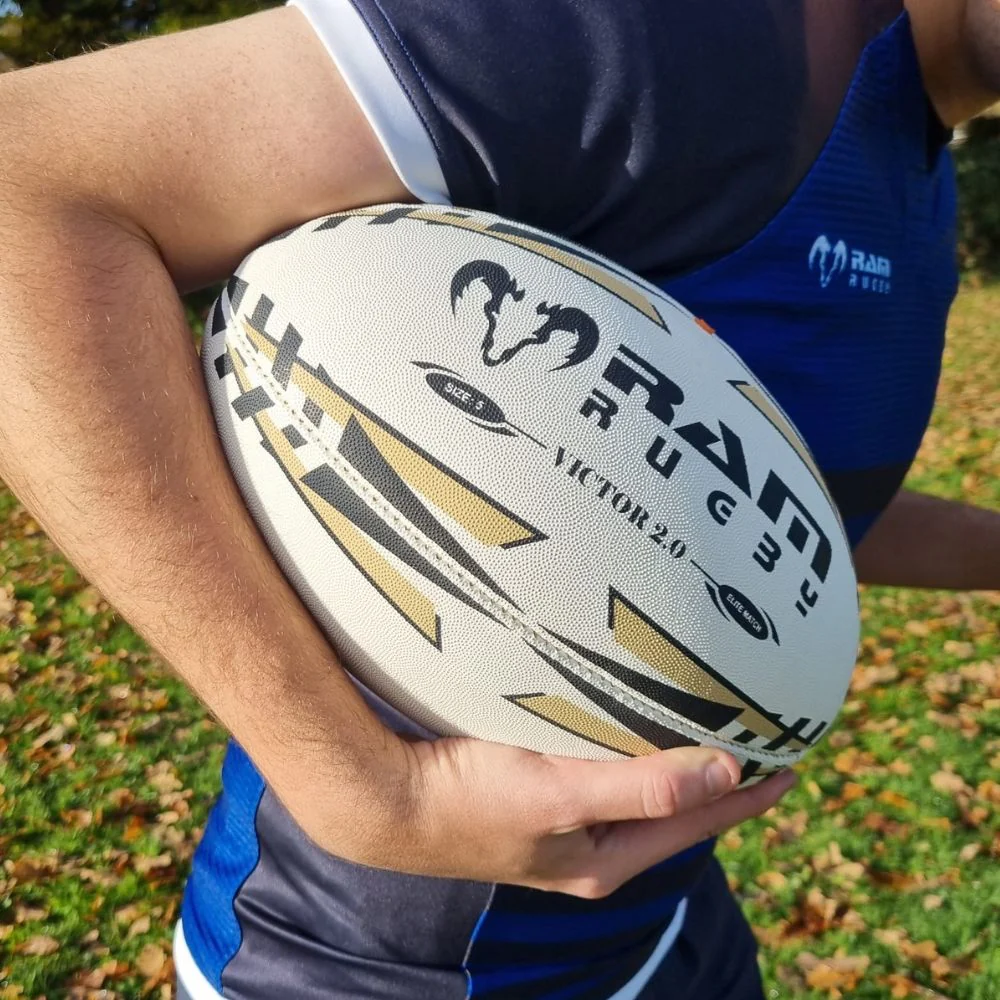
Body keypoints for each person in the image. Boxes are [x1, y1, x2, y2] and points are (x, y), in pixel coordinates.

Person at [1, 2, 998, 998]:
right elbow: (25, 185)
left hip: (665, 929)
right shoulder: (685, 30)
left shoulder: (915, 163)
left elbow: (748, 519)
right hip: (368, 963)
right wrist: (357, 785)